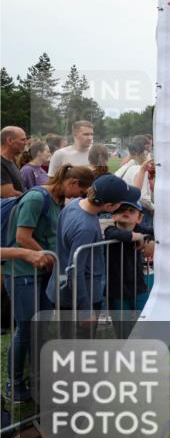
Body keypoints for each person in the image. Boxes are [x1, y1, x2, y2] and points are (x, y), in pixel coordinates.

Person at [2, 164, 94, 400]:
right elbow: (22, 237)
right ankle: (14, 382)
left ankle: (37, 378)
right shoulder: (36, 198)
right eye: (80, 192)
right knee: (26, 328)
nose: (79, 198)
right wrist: (49, 257)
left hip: (43, 271)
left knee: (40, 327)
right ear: (71, 183)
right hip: (23, 272)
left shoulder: (56, 200)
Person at [46, 174, 140, 317]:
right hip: (79, 299)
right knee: (80, 339)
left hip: (64, 291)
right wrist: (85, 309)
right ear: (109, 206)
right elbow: (75, 270)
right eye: (121, 202)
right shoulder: (86, 227)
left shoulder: (74, 203)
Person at [103, 201, 154, 334]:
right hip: (117, 290)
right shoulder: (110, 230)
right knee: (123, 330)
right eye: (121, 210)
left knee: (145, 324)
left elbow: (158, 231)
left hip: (138, 286)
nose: (126, 212)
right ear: (113, 216)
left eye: (131, 211)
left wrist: (150, 240)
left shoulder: (140, 229)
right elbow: (118, 235)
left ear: (139, 218)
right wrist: (138, 237)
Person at [1, 126, 27, 198]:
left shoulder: (11, 160)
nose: (25, 143)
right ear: (9, 141)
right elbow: (9, 195)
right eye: (23, 140)